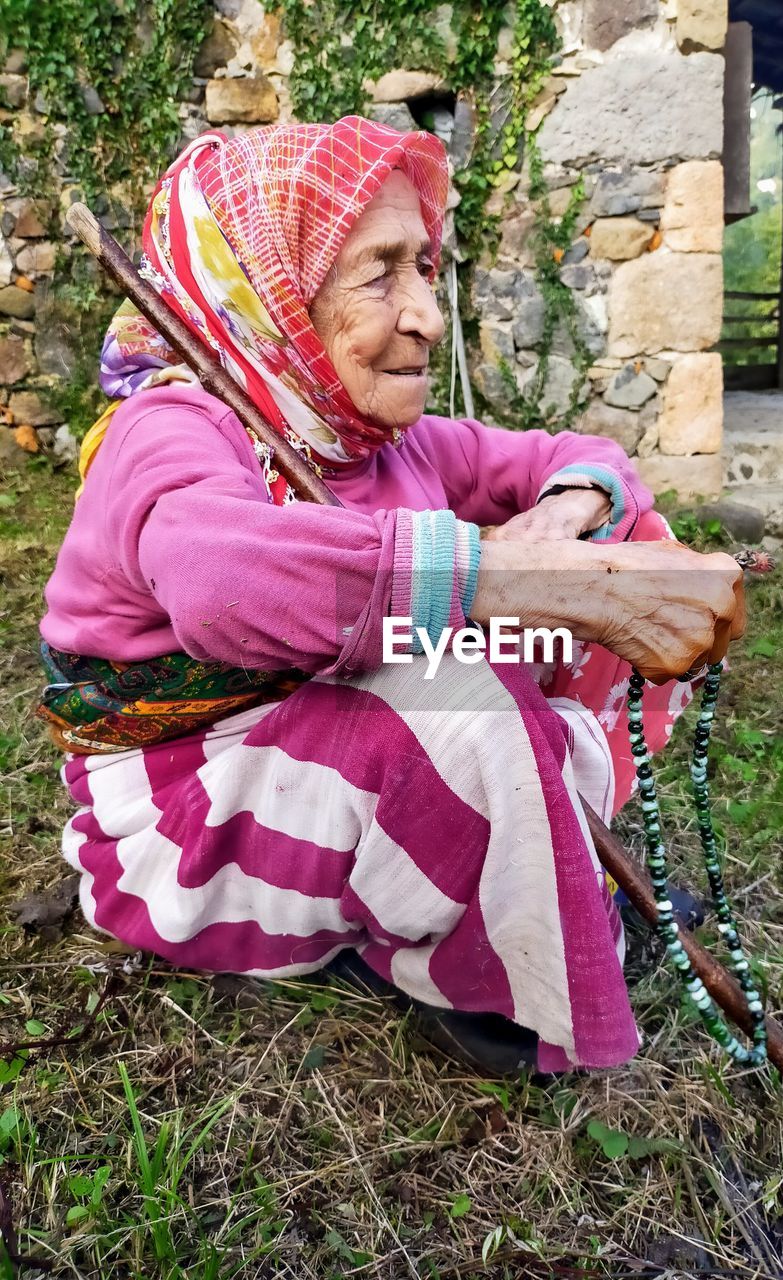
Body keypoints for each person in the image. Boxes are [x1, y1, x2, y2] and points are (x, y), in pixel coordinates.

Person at [38, 118, 745, 1075]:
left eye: (423, 265)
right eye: (378, 272)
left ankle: (536, 869)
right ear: (277, 286)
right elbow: (218, 580)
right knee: (456, 706)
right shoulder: (169, 428)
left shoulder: (377, 434)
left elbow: (584, 460)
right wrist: (516, 579)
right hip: (188, 819)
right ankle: (492, 977)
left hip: (328, 759)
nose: (426, 313)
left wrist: (570, 524)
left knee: (625, 555)